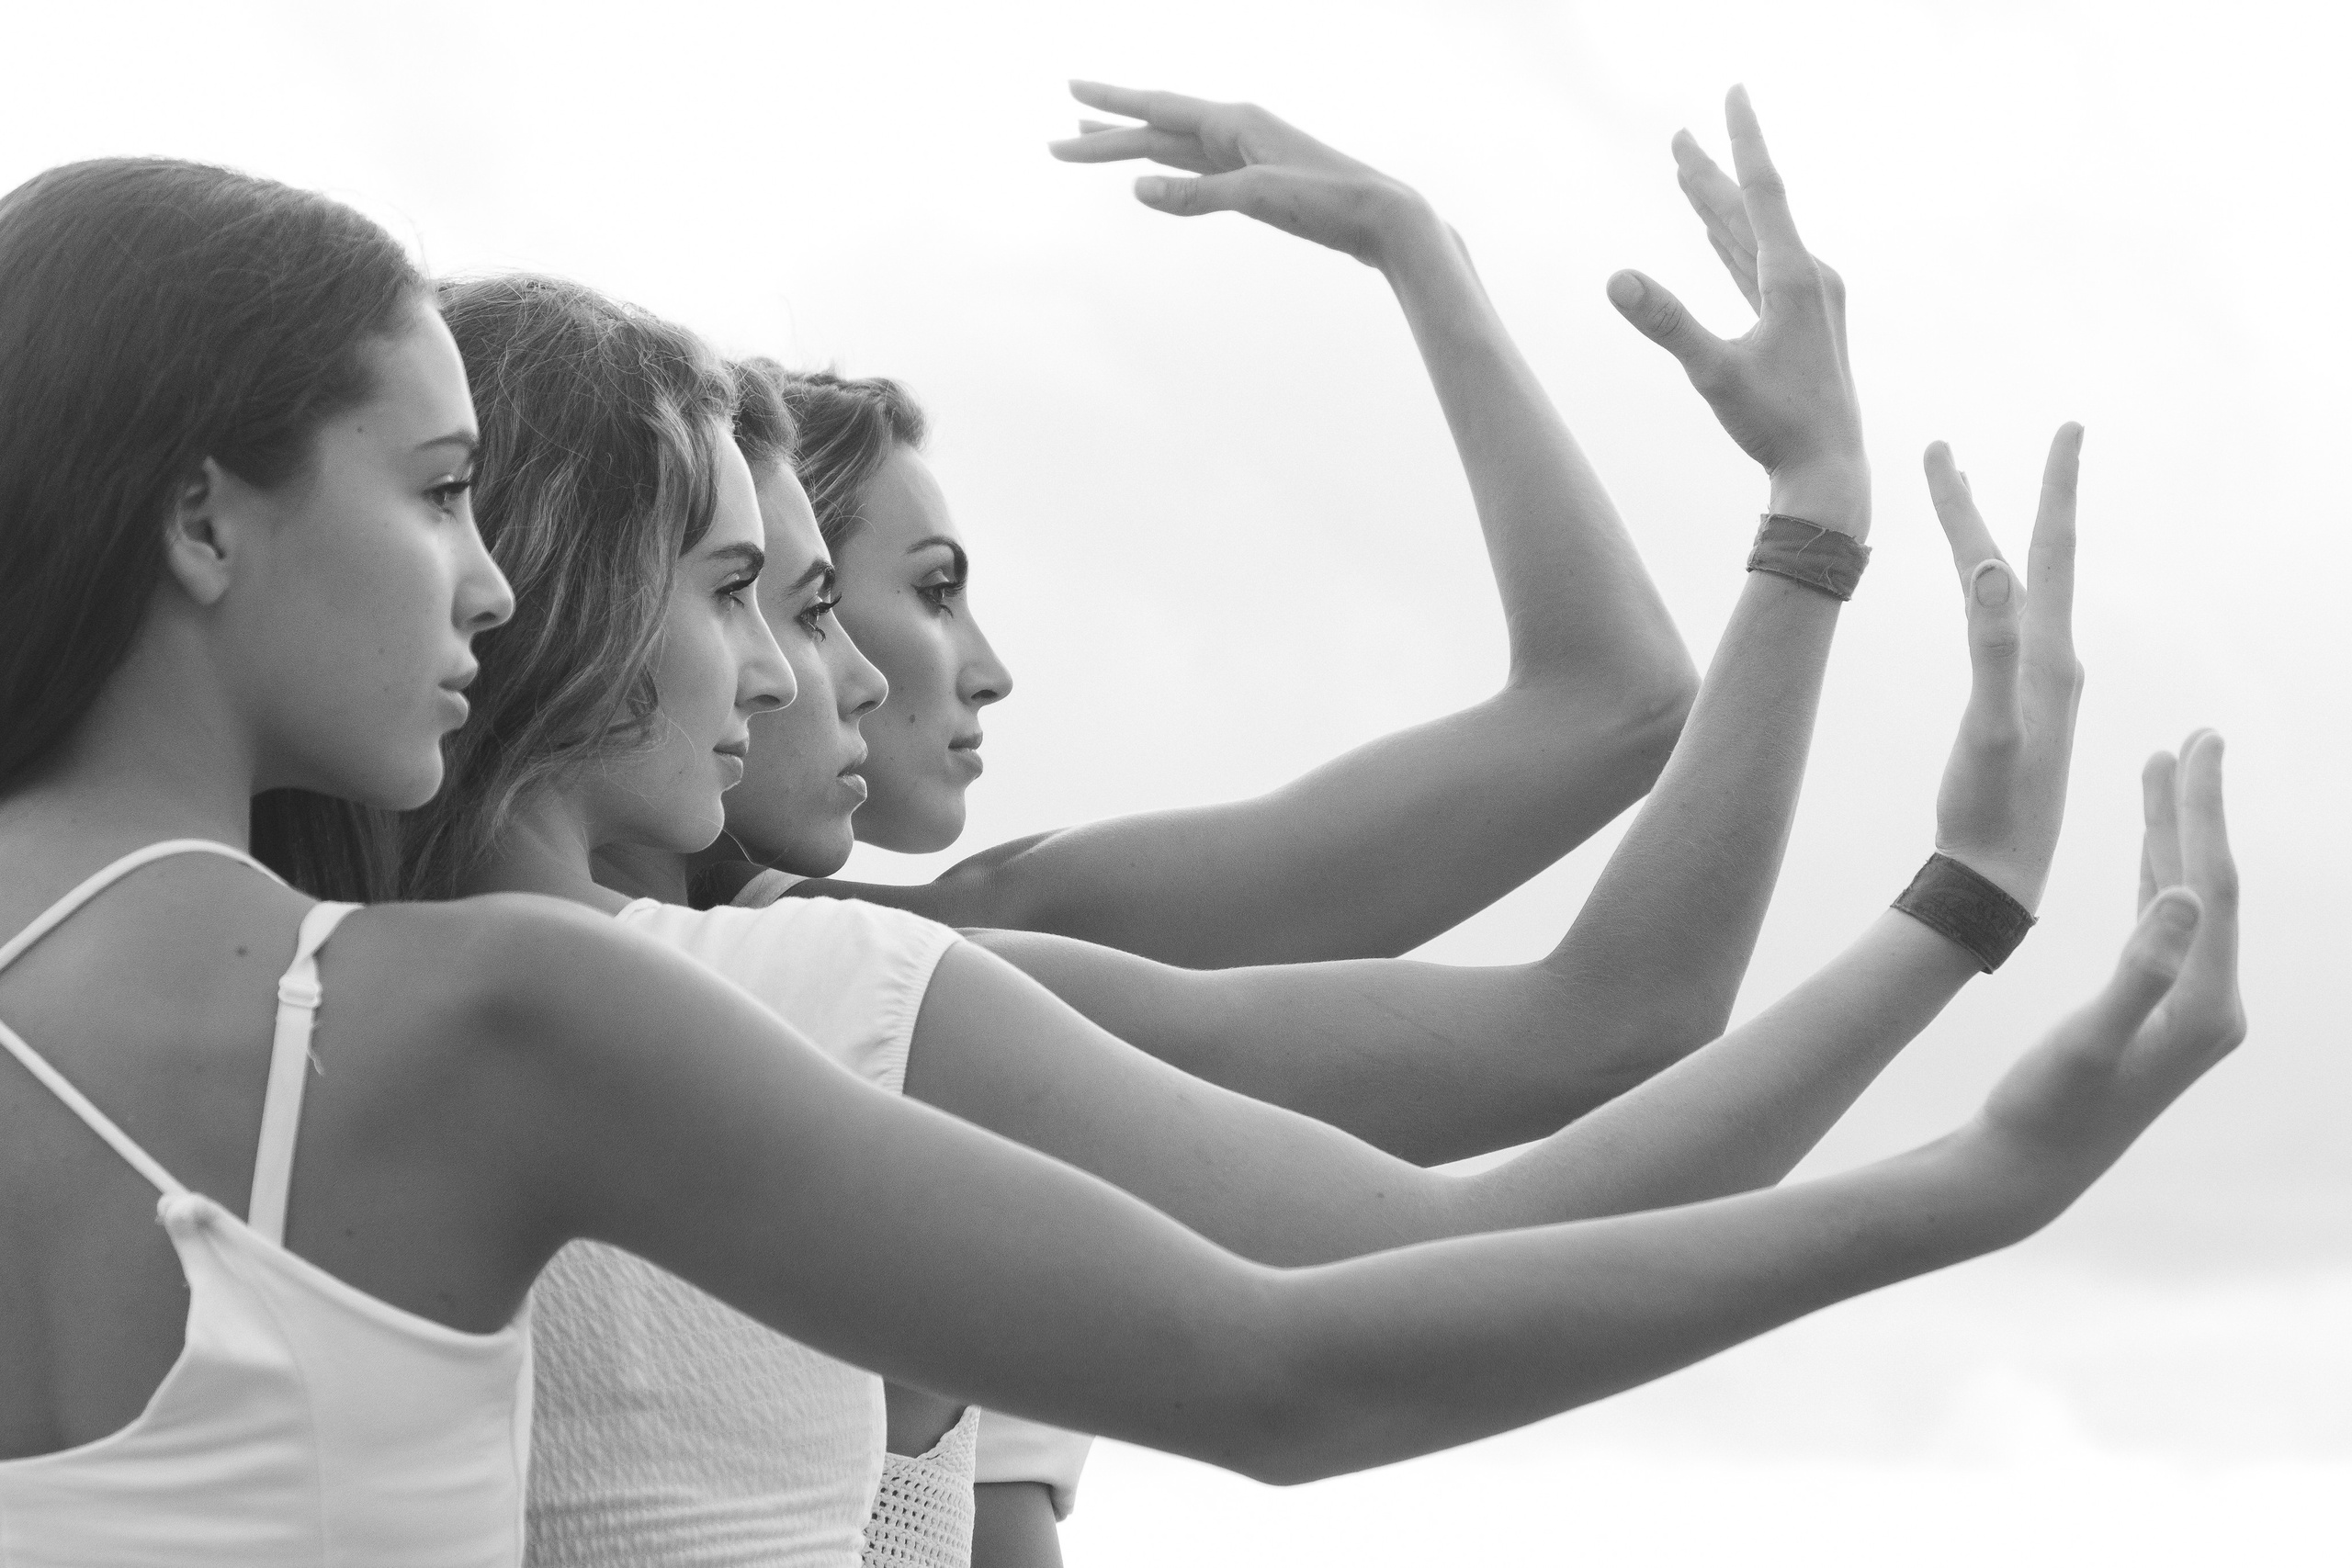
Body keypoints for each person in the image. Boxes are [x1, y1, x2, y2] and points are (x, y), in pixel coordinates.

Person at [0, 130, 2243, 1568]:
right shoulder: (520, 1018)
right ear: (201, 510)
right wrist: (1972, 1146)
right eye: (431, 495)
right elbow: (1303, 1339)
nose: (836, 678)